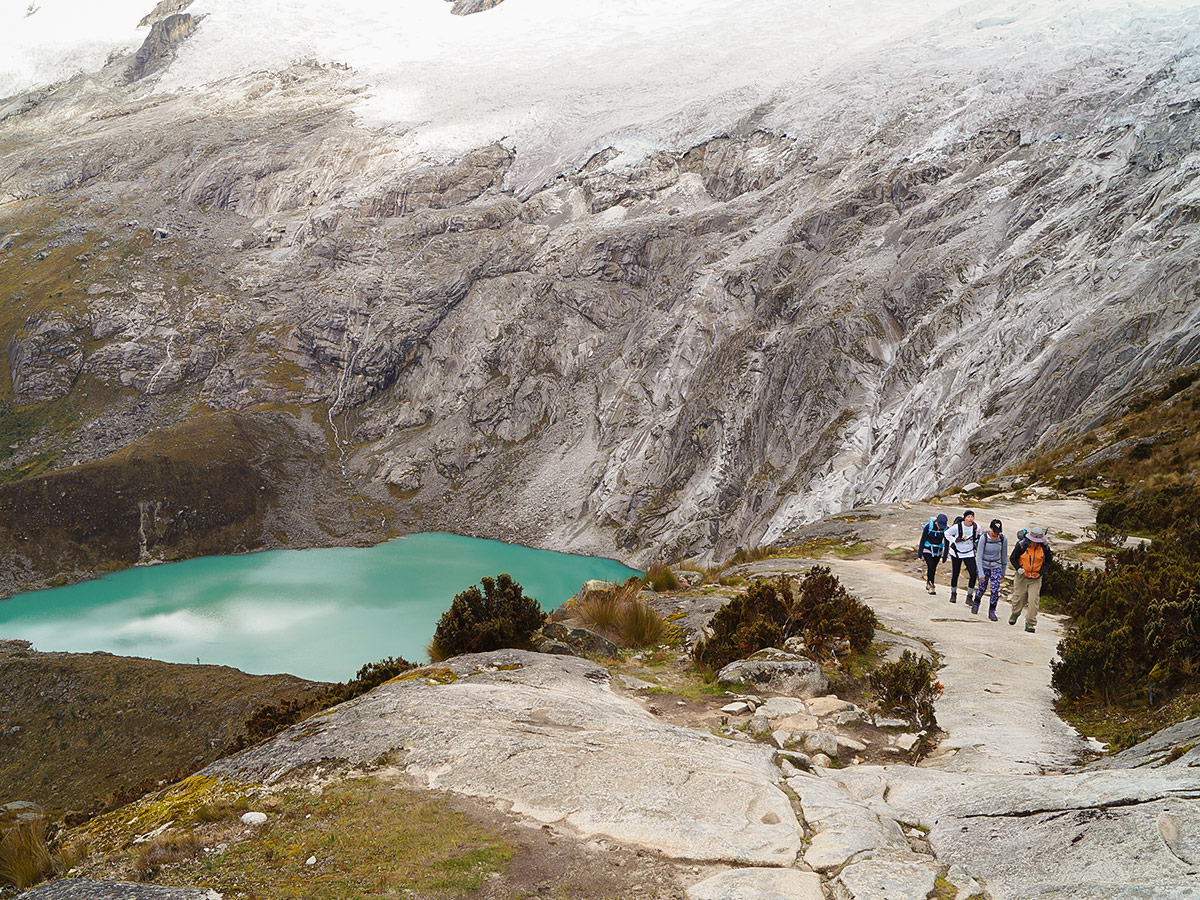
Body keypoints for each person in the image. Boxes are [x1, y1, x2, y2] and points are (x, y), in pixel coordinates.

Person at [1008, 526, 1053, 633]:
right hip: (1022, 576)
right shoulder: (1022, 545)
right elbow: (1013, 559)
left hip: (1036, 578)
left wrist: (1040, 573)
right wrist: (1020, 571)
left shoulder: (1045, 548)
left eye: (1038, 541)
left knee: (1033, 600)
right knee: (1019, 598)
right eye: (1034, 541)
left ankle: (1030, 623)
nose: (1036, 543)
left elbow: (1048, 562)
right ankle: (1015, 613)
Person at [972, 518, 1008, 621]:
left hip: (996, 565)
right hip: (984, 564)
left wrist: (1003, 570)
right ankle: (977, 601)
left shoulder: (1002, 539)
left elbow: (1004, 555)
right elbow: (978, 556)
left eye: (998, 532)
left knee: (995, 589)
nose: (995, 534)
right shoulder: (984, 538)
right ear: (990, 528)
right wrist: (981, 573)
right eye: (994, 532)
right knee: (982, 587)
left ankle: (992, 610)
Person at [943, 510, 980, 604]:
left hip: (969, 553)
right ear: (964, 518)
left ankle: (969, 596)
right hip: (956, 553)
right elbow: (946, 533)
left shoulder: (976, 527)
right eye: (968, 517)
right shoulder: (957, 527)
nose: (970, 519)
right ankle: (953, 594)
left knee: (973, 574)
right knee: (955, 573)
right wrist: (955, 540)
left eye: (972, 517)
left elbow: (978, 536)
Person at [916, 513, 948, 595]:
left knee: (934, 567)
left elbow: (947, 542)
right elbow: (923, 539)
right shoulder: (928, 527)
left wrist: (945, 555)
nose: (940, 527)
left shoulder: (945, 529)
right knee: (931, 566)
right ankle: (931, 585)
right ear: (936, 522)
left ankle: (928, 582)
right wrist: (920, 552)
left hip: (938, 550)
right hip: (927, 549)